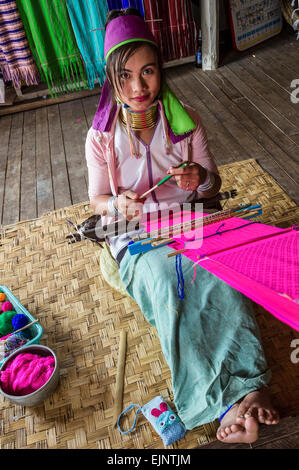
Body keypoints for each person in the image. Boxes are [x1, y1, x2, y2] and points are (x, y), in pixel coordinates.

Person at [85, 8, 279, 444]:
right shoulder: (100, 138)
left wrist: (200, 178)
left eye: (148, 71)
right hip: (136, 236)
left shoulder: (186, 122)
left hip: (192, 221)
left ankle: (251, 386)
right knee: (169, 285)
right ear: (113, 80)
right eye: (127, 76)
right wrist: (116, 202)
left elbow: (214, 185)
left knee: (224, 278)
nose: (139, 87)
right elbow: (97, 202)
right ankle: (217, 403)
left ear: (161, 71)